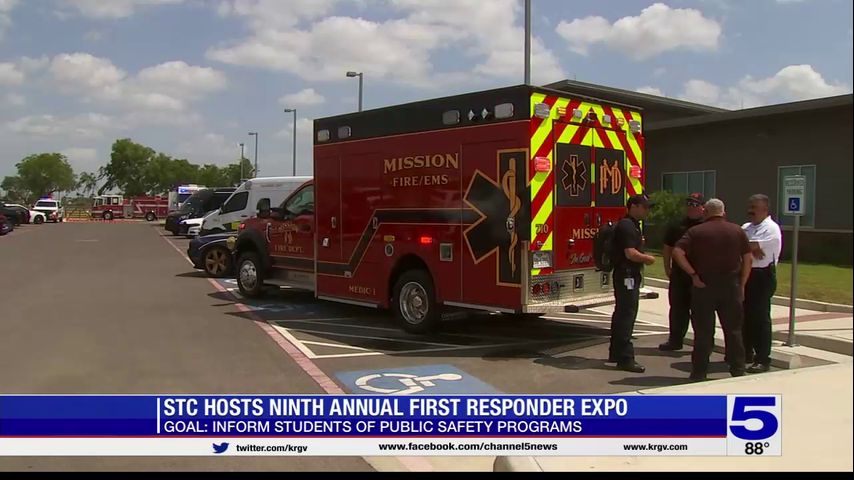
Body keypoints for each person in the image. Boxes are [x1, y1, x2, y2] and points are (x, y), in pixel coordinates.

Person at [672, 199, 752, 381]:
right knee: (733, 331)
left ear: (706, 212)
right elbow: (748, 258)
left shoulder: (696, 232)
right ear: (723, 212)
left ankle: (699, 372)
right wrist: (742, 284)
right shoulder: (737, 231)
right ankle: (738, 369)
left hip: (704, 286)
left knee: (703, 332)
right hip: (731, 286)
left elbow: (677, 252)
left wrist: (693, 274)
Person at [609, 194, 656, 373]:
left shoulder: (633, 225)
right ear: (634, 206)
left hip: (627, 275)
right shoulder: (627, 226)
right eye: (645, 207)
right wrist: (648, 259)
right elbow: (630, 253)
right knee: (627, 315)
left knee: (622, 313)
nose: (647, 210)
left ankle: (615, 352)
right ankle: (625, 358)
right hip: (626, 275)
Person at [659, 193, 706, 351]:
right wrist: (667, 268)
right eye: (689, 204)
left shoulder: (706, 225)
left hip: (699, 275)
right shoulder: (677, 226)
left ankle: (702, 344)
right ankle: (675, 341)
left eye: (695, 204)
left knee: (700, 312)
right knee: (677, 309)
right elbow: (667, 248)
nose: (691, 207)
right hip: (679, 274)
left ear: (703, 207)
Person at [742, 194, 782, 374]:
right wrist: (750, 247)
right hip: (746, 273)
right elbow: (740, 244)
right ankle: (746, 353)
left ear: (765, 209)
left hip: (762, 276)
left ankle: (763, 359)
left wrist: (749, 247)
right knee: (745, 316)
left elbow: (746, 246)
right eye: (749, 206)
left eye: (754, 207)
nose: (750, 210)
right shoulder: (746, 227)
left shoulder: (771, 228)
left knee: (760, 318)